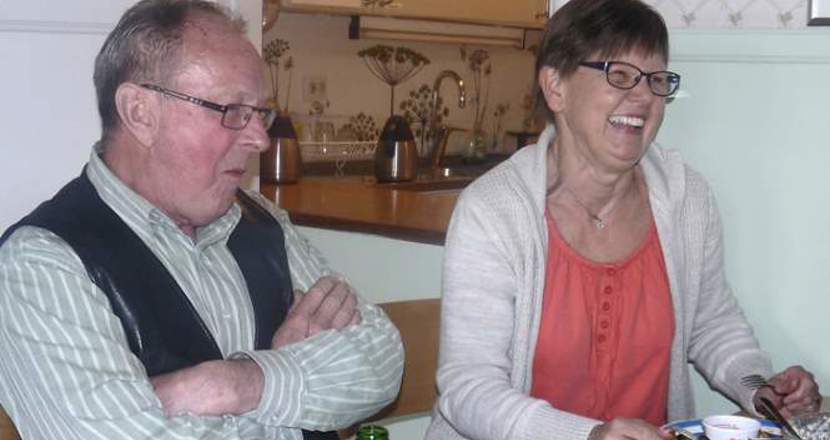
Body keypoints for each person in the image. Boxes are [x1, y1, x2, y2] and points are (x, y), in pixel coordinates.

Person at [0, 1, 403, 439]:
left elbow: (381, 361)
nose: (260, 139)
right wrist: (297, 384)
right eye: (232, 111)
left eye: (260, 113)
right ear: (140, 112)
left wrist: (238, 382)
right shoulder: (40, 265)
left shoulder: (261, 220)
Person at [425, 0, 821, 439]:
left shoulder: (686, 198)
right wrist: (586, 435)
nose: (643, 97)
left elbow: (711, 324)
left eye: (656, 80)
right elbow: (469, 388)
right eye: (619, 74)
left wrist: (761, 389)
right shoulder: (495, 211)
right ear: (555, 87)